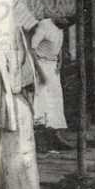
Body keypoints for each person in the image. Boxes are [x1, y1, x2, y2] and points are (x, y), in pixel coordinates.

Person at [30, 16, 73, 150]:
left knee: (55, 102)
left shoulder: (60, 27)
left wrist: (59, 62)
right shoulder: (44, 26)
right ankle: (40, 142)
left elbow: (58, 46)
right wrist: (40, 73)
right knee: (42, 103)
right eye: (65, 22)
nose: (65, 26)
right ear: (59, 16)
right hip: (41, 65)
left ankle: (56, 137)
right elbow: (31, 49)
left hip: (53, 68)